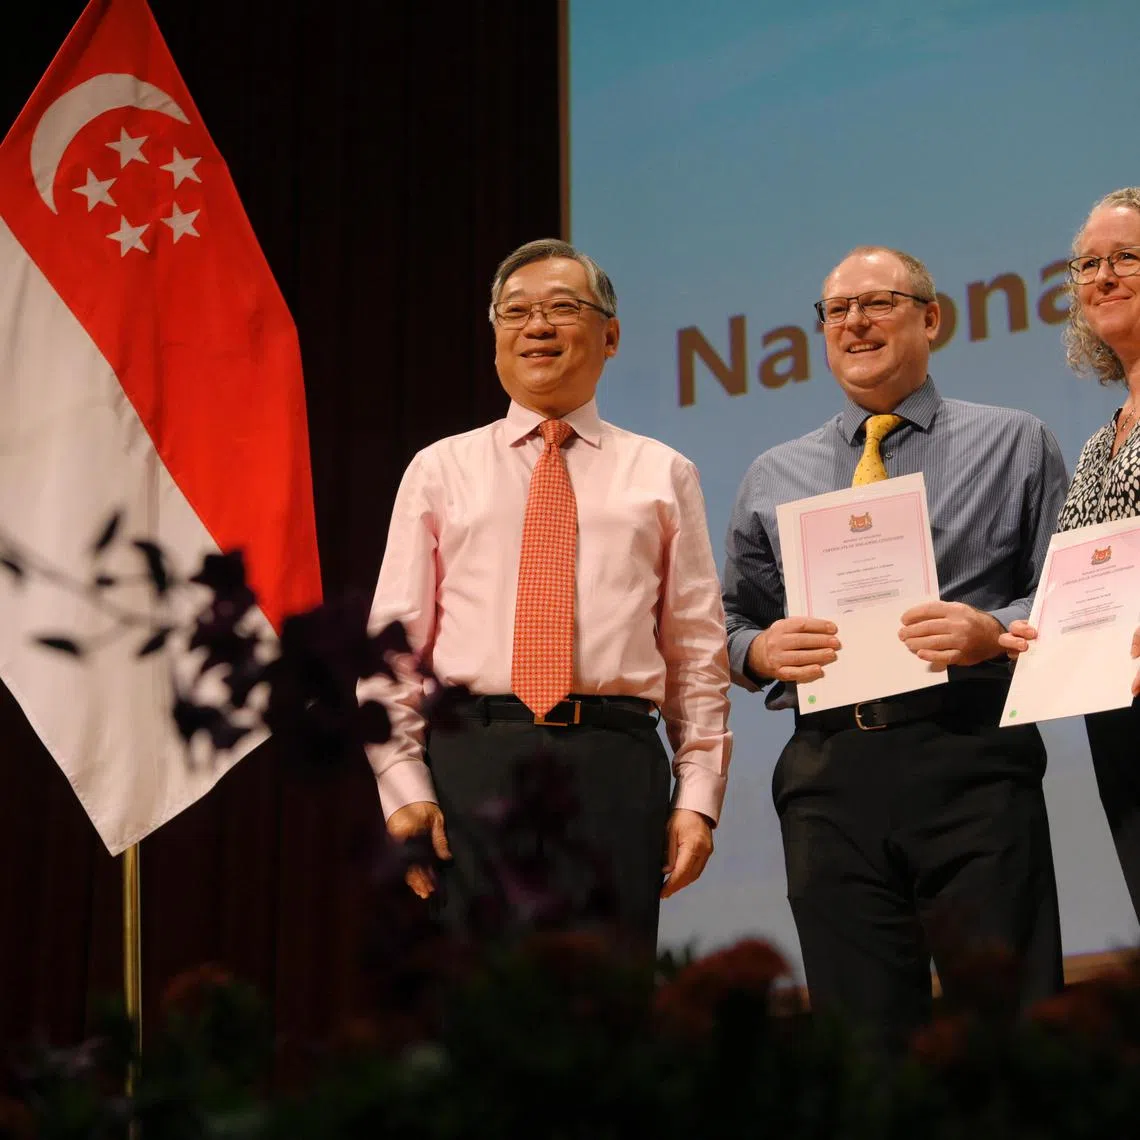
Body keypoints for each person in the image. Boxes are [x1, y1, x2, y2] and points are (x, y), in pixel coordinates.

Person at [722, 245, 1068, 1051]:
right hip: (829, 772)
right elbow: (729, 625)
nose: (855, 323)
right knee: (863, 1049)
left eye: (878, 303)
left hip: (971, 755)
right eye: (837, 311)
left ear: (932, 318)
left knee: (1010, 1032)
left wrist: (992, 630)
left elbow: (1064, 599)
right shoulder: (775, 473)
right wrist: (763, 652)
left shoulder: (1015, 442)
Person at [359, 238, 732, 946]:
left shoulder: (662, 472)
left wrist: (700, 799)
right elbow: (393, 650)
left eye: (563, 308)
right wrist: (405, 791)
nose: (537, 326)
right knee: (480, 1014)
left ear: (611, 336)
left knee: (606, 1009)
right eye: (516, 311)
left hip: (613, 763)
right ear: (495, 334)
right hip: (475, 762)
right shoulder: (440, 469)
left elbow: (695, 650)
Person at [1000, 187, 1140, 922]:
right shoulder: (1094, 447)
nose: (1102, 277)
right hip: (1118, 726)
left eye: (1125, 258)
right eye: (1087, 263)